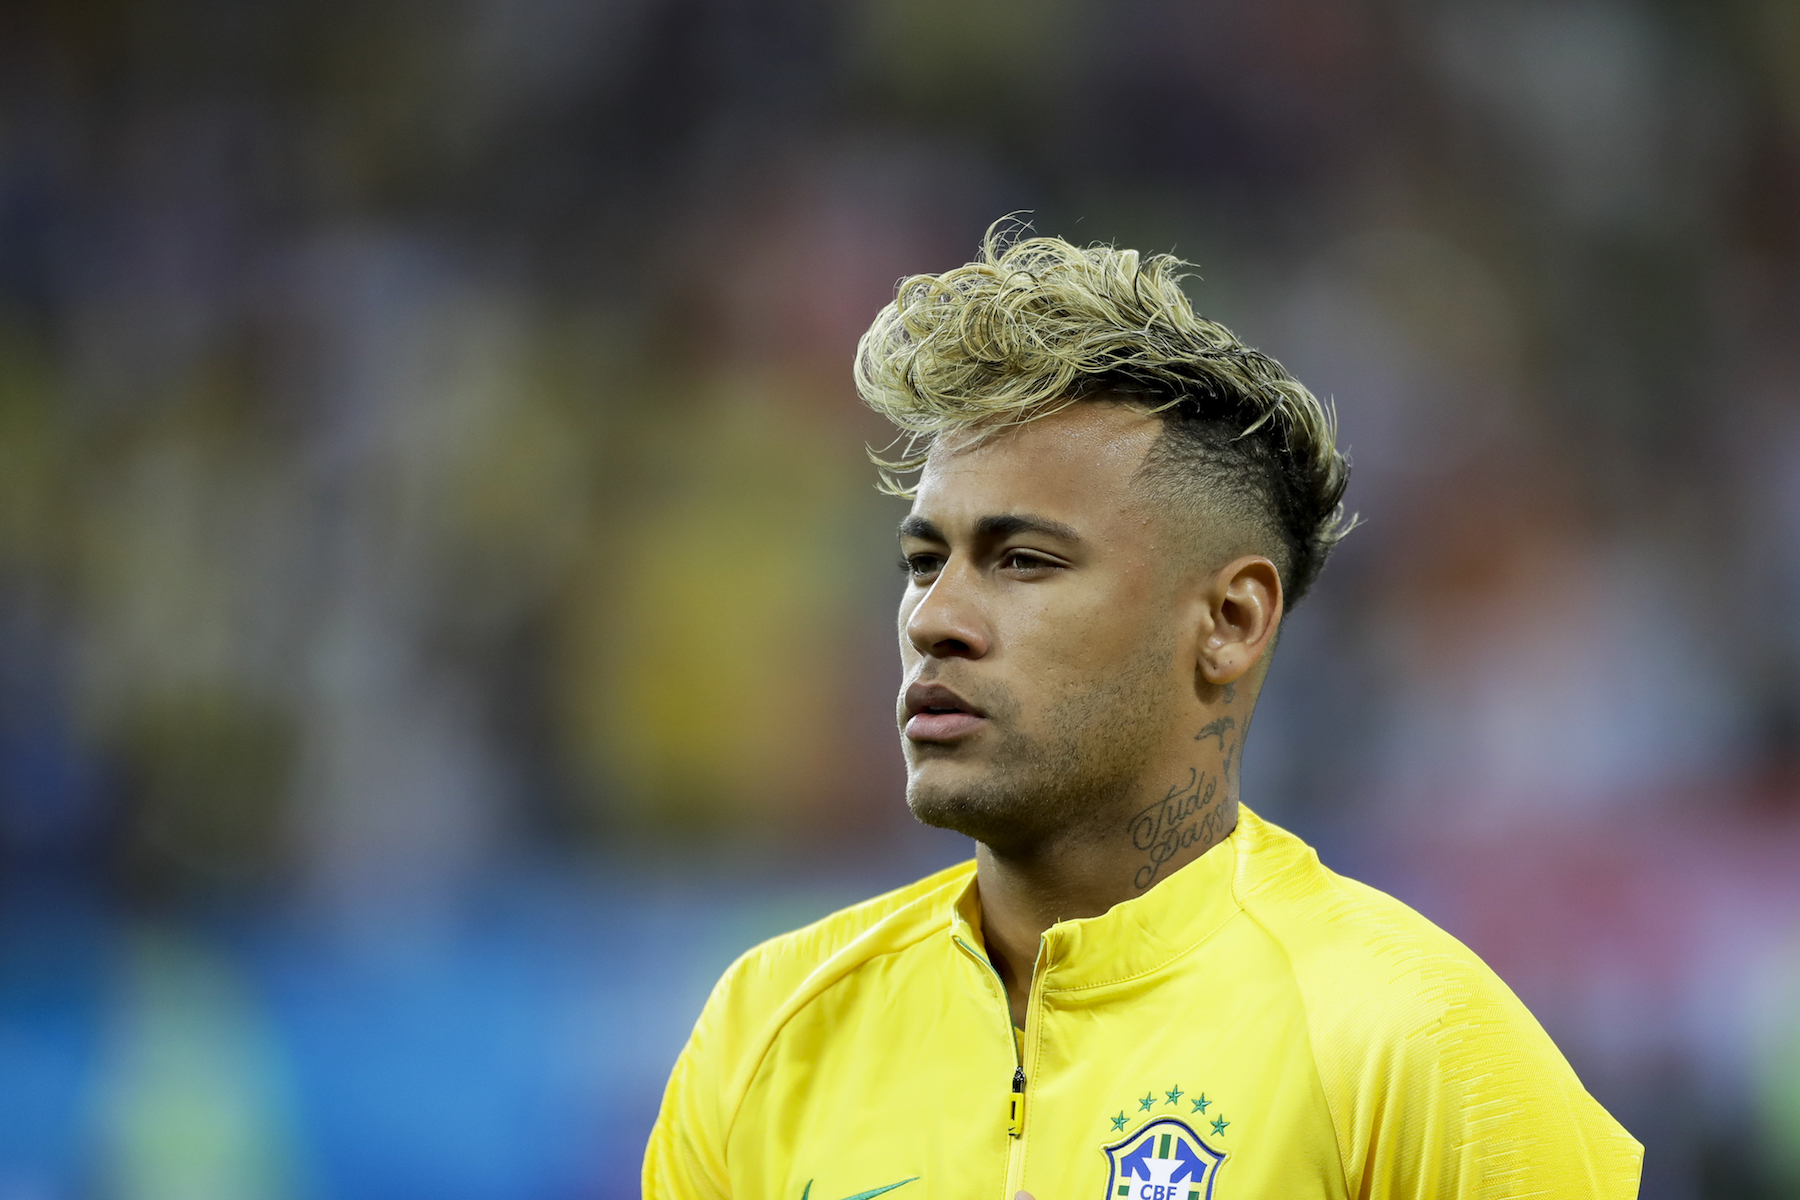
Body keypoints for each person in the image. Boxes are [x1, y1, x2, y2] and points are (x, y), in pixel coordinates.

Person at [643, 228, 1643, 1199]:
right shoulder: (770, 1030)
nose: (935, 618)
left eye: (1023, 560)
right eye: (921, 562)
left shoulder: (1414, 1045)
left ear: (1231, 620)